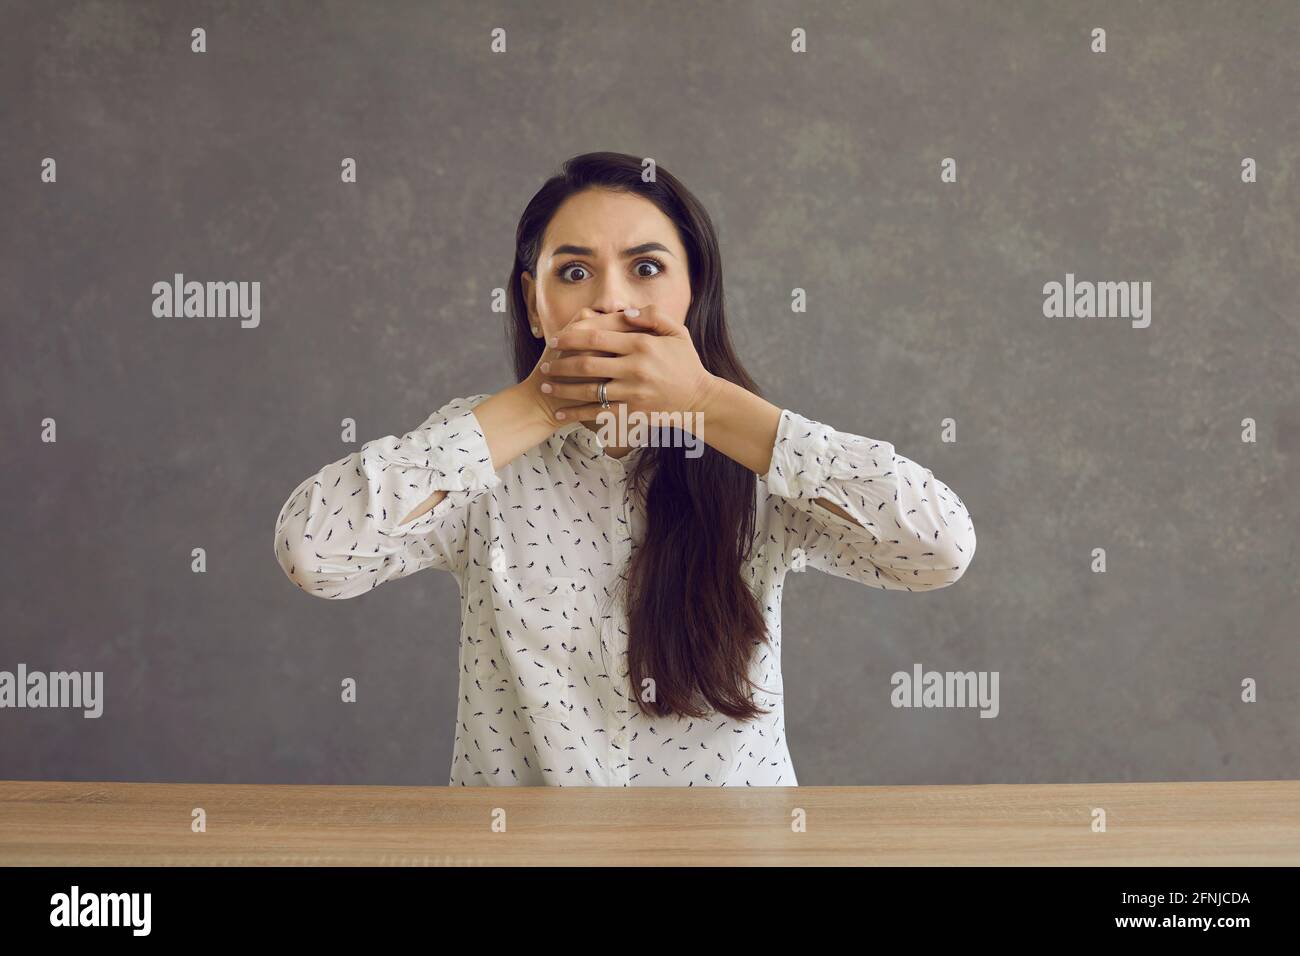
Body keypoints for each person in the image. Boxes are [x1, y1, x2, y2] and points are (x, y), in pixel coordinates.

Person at [273, 151, 976, 786]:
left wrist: (709, 404)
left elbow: (938, 551)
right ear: (533, 302)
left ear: (691, 294)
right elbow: (313, 554)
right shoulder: (475, 452)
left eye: (646, 268)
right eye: (573, 272)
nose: (610, 300)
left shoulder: (756, 453)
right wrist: (535, 409)